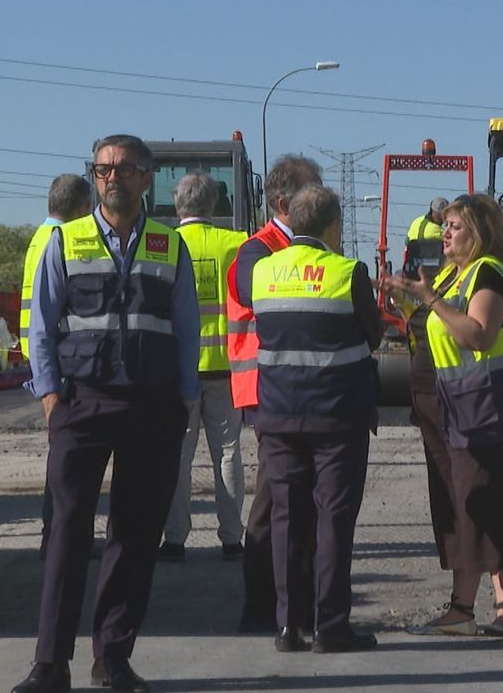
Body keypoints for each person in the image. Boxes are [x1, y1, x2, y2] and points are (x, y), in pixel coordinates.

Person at [13, 134, 199, 693]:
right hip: (80, 403)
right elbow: (41, 326)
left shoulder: (170, 245)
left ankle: (113, 658)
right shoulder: (65, 241)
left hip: (151, 407)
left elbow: (187, 329)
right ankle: (50, 665)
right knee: (67, 532)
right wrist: (50, 397)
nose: (111, 177)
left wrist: (183, 401)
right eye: (102, 169)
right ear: (93, 178)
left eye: (123, 168)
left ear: (147, 177)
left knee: (135, 534)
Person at [379, 193, 503, 640]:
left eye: (455, 226)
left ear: (479, 232)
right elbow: (436, 324)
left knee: (491, 500)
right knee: (460, 507)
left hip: (482, 406)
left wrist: (431, 299)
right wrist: (410, 297)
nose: (445, 234)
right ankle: (461, 608)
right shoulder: (451, 275)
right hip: (445, 405)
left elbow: (478, 335)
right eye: (444, 226)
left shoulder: (489, 274)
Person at [251, 183, 383, 654]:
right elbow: (374, 337)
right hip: (337, 418)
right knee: (333, 520)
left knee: (287, 519)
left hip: (279, 416)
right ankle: (331, 626)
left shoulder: (263, 271)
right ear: (333, 226)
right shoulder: (349, 272)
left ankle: (289, 626)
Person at [227, 154, 323, 633]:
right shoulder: (257, 250)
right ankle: (261, 606)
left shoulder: (294, 248)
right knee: (273, 503)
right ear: (284, 202)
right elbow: (254, 294)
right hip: (268, 392)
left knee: (294, 501)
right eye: (313, 194)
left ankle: (291, 605)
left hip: (294, 389)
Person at [161, 172, 248, 563]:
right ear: (214, 205)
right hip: (226, 368)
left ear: (177, 205)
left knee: (178, 455)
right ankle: (232, 539)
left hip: (180, 370)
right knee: (228, 453)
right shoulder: (236, 244)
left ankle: (175, 540)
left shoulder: (164, 244)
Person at [20, 174, 93, 562]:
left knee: (62, 456)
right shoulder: (59, 241)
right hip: (57, 363)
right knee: (66, 459)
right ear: (82, 208)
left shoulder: (39, 236)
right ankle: (60, 538)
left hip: (42, 357)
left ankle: (59, 536)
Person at [405, 196, 447, 274]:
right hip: (433, 273)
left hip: (412, 270)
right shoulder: (441, 232)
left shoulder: (416, 221)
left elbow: (407, 242)